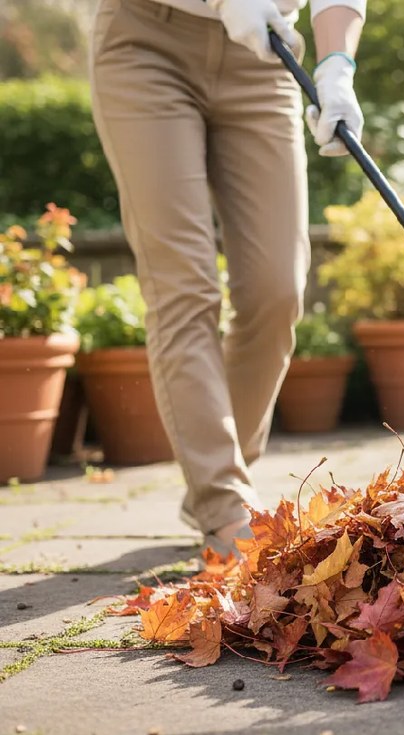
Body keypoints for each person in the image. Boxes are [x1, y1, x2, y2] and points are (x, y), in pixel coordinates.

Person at [88, 0, 365, 557]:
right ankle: (223, 503)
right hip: (147, 43)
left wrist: (338, 64)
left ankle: (219, 479)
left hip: (264, 56)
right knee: (183, 284)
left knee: (277, 289)